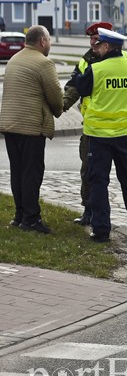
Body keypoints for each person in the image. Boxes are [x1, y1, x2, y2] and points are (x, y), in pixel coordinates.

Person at [67, 28, 127, 243]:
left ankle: (101, 230)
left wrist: (78, 75)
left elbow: (81, 88)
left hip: (100, 135)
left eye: (100, 45)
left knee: (98, 183)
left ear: (106, 46)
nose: (98, 48)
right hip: (126, 135)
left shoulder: (97, 69)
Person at [0, 25, 63, 233]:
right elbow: (55, 98)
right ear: (42, 42)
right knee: (32, 173)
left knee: (17, 172)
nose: (50, 44)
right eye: (49, 41)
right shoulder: (44, 63)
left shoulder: (14, 60)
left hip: (10, 125)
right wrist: (59, 109)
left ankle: (19, 216)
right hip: (31, 127)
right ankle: (32, 219)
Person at [63, 21, 113, 225]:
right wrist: (61, 106)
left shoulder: (126, 61)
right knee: (89, 172)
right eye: (91, 39)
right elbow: (73, 87)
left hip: (123, 128)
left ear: (107, 42)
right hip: (93, 128)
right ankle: (89, 211)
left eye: (96, 39)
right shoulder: (86, 61)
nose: (92, 43)